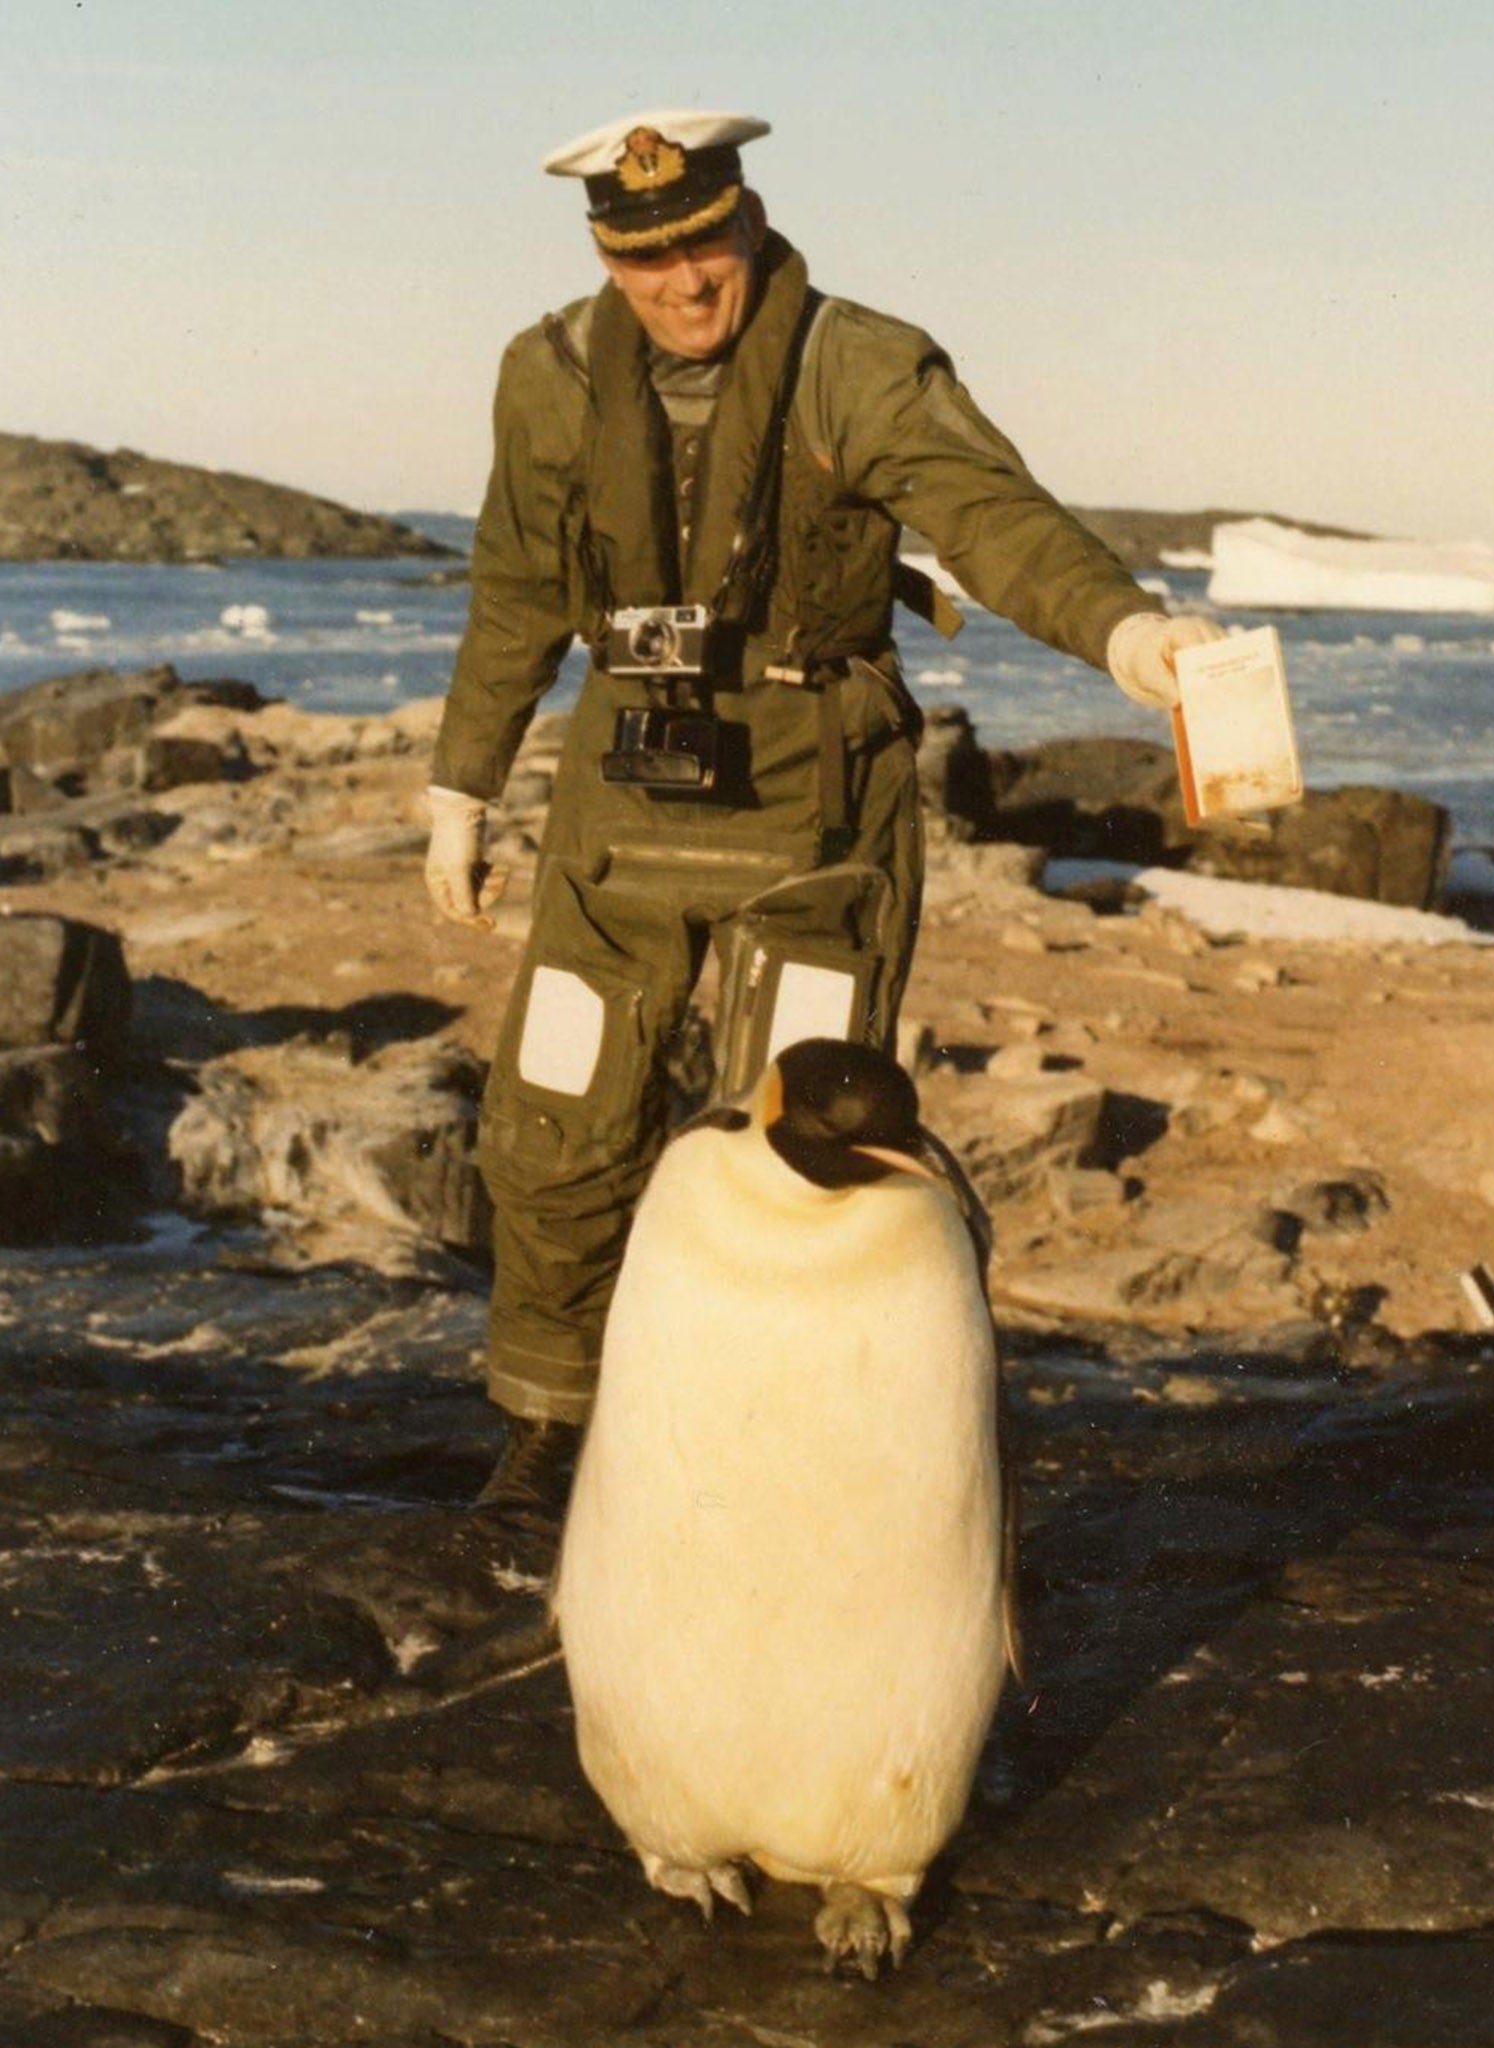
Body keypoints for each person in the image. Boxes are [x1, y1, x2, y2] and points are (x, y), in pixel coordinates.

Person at [425, 108, 1222, 1529]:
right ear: (607, 252)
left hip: (815, 792)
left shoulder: (858, 362)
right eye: (643, 255)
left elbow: (993, 518)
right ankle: (551, 1429)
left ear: (748, 219)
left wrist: (1126, 632)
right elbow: (515, 591)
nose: (681, 283)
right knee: (555, 1115)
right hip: (622, 784)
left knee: (800, 1135)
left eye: (702, 244)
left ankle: (759, 1443)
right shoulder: (543, 376)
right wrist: (459, 789)